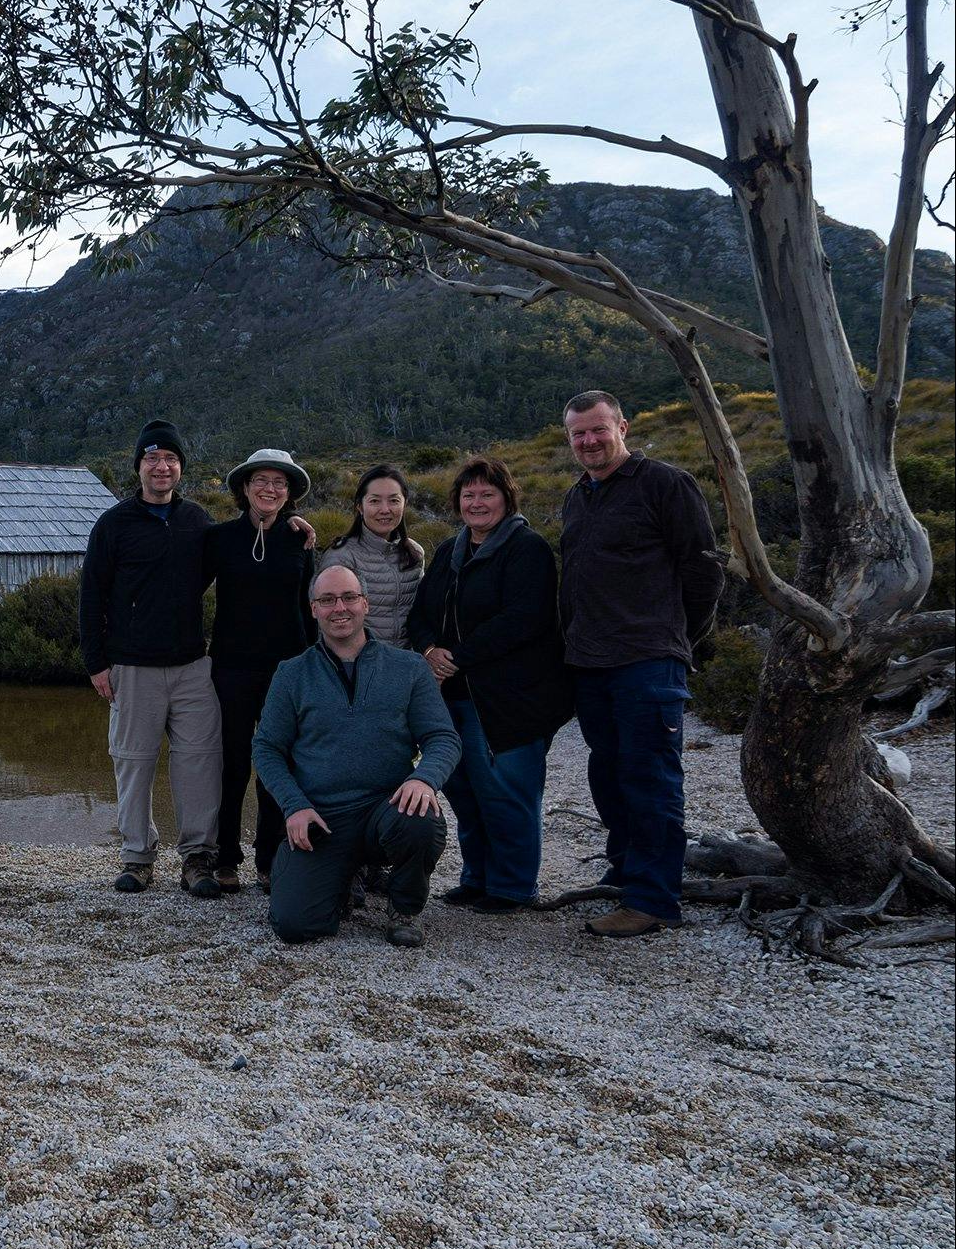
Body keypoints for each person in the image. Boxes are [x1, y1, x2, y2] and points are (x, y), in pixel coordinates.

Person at [559, 390, 725, 939]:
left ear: (623, 427)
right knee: (607, 773)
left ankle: (653, 899)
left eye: (598, 429)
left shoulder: (666, 484)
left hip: (647, 661)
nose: (589, 441)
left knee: (650, 776)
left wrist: (675, 638)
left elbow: (704, 572)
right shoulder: (578, 497)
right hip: (590, 662)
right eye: (579, 433)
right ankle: (627, 870)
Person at [251, 564, 459, 948]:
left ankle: (404, 907)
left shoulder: (409, 667)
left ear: (365, 603)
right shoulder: (292, 674)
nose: (339, 608)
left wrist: (423, 779)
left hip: (388, 808)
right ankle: (344, 878)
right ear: (314, 609)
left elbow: (443, 737)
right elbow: (266, 748)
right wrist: (294, 806)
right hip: (322, 817)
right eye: (327, 600)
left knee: (422, 820)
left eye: (349, 597)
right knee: (295, 925)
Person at [407, 456, 573, 914]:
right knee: (464, 790)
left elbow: (523, 619)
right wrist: (429, 650)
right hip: (452, 696)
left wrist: (457, 657)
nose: (477, 502)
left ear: (506, 498)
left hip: (508, 698)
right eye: (469, 495)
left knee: (508, 792)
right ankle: (476, 877)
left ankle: (513, 887)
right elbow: (420, 613)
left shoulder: (527, 548)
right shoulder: (450, 550)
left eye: (487, 493)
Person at [79, 419, 224, 897]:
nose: (162, 467)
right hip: (131, 667)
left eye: (171, 459)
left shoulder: (198, 521)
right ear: (139, 466)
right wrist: (96, 663)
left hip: (192, 667)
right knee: (133, 763)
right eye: (153, 458)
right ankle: (138, 857)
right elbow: (91, 596)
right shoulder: (113, 524)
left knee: (199, 764)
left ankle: (198, 858)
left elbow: (235, 557)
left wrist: (290, 525)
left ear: (181, 467)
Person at [204, 448, 317, 895]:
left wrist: (314, 663)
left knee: (276, 763)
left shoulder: (300, 539)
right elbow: (185, 590)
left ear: (288, 493)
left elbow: (308, 608)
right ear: (245, 488)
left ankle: (269, 858)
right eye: (261, 481)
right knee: (231, 763)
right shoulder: (221, 538)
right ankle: (225, 857)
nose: (270, 489)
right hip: (231, 668)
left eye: (279, 483)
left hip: (286, 671)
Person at [321, 465, 425, 647]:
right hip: (359, 660)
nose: (385, 509)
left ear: (405, 504)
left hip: (407, 659)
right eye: (375, 501)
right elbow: (329, 622)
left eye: (394, 500)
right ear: (360, 506)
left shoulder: (414, 553)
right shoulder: (341, 557)